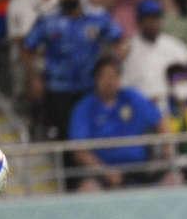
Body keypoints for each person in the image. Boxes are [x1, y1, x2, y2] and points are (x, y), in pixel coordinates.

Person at [22, 0, 125, 140]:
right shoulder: (48, 19)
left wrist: (114, 64)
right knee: (64, 134)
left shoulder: (97, 17)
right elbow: (27, 48)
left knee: (92, 133)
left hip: (90, 86)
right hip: (58, 88)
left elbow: (119, 41)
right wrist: (34, 78)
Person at [68, 57, 173, 190]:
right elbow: (80, 150)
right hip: (102, 173)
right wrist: (105, 172)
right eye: (104, 77)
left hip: (140, 169)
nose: (109, 81)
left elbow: (161, 122)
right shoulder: (84, 107)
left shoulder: (132, 97)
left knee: (173, 180)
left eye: (113, 76)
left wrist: (165, 154)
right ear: (96, 79)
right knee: (87, 189)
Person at [121, 0, 187, 108]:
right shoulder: (128, 49)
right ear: (139, 22)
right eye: (148, 19)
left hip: (172, 106)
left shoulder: (175, 46)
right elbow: (124, 86)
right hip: (141, 108)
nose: (153, 23)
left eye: (156, 18)